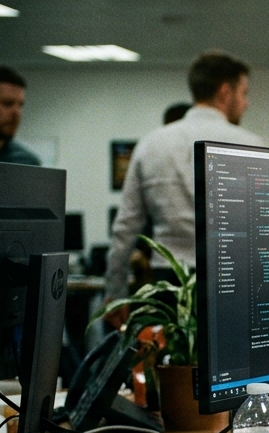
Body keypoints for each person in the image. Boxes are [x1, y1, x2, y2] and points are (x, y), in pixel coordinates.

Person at [104, 51, 260, 316]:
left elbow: (125, 227)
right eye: (243, 93)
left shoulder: (151, 144)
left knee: (174, 358)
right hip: (232, 281)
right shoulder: (249, 146)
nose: (246, 103)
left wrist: (115, 293)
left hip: (169, 286)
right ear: (225, 92)